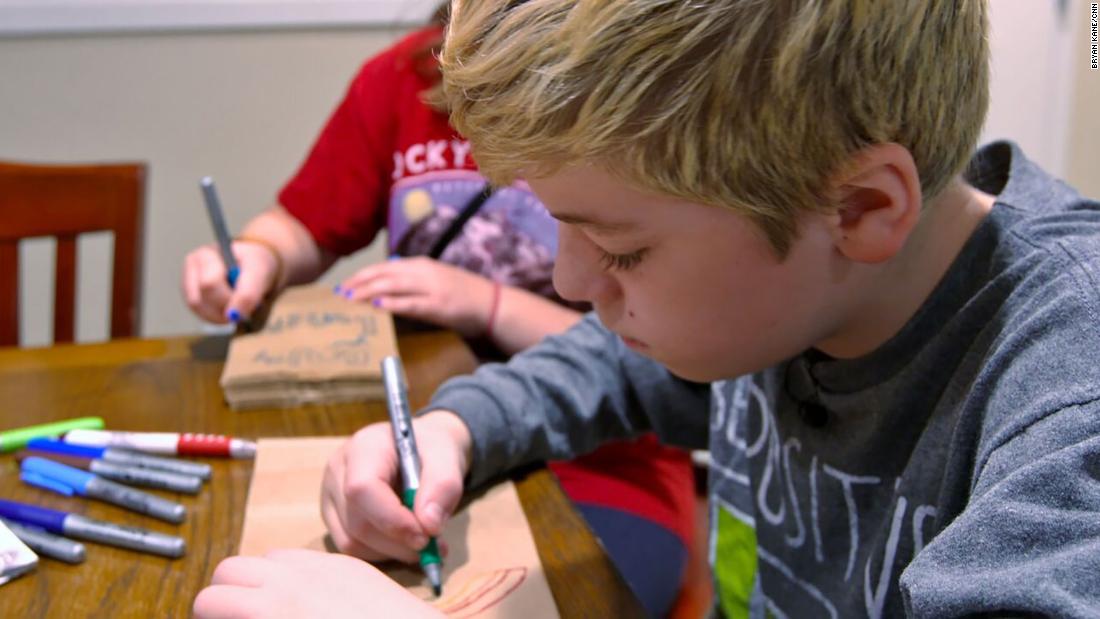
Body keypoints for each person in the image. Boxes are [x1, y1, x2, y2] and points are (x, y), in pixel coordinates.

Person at [194, 0, 1100, 617]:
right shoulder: (798, 295)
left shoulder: (1068, 399)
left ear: (859, 209)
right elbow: (610, 365)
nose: (573, 280)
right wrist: (455, 430)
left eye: (622, 248)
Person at [181, 9, 697, 617]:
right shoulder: (397, 78)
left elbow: (651, 366)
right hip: (444, 427)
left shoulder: (637, 86)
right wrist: (260, 252)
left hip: (608, 467)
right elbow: (305, 220)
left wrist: (488, 305)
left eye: (616, 246)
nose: (570, 274)